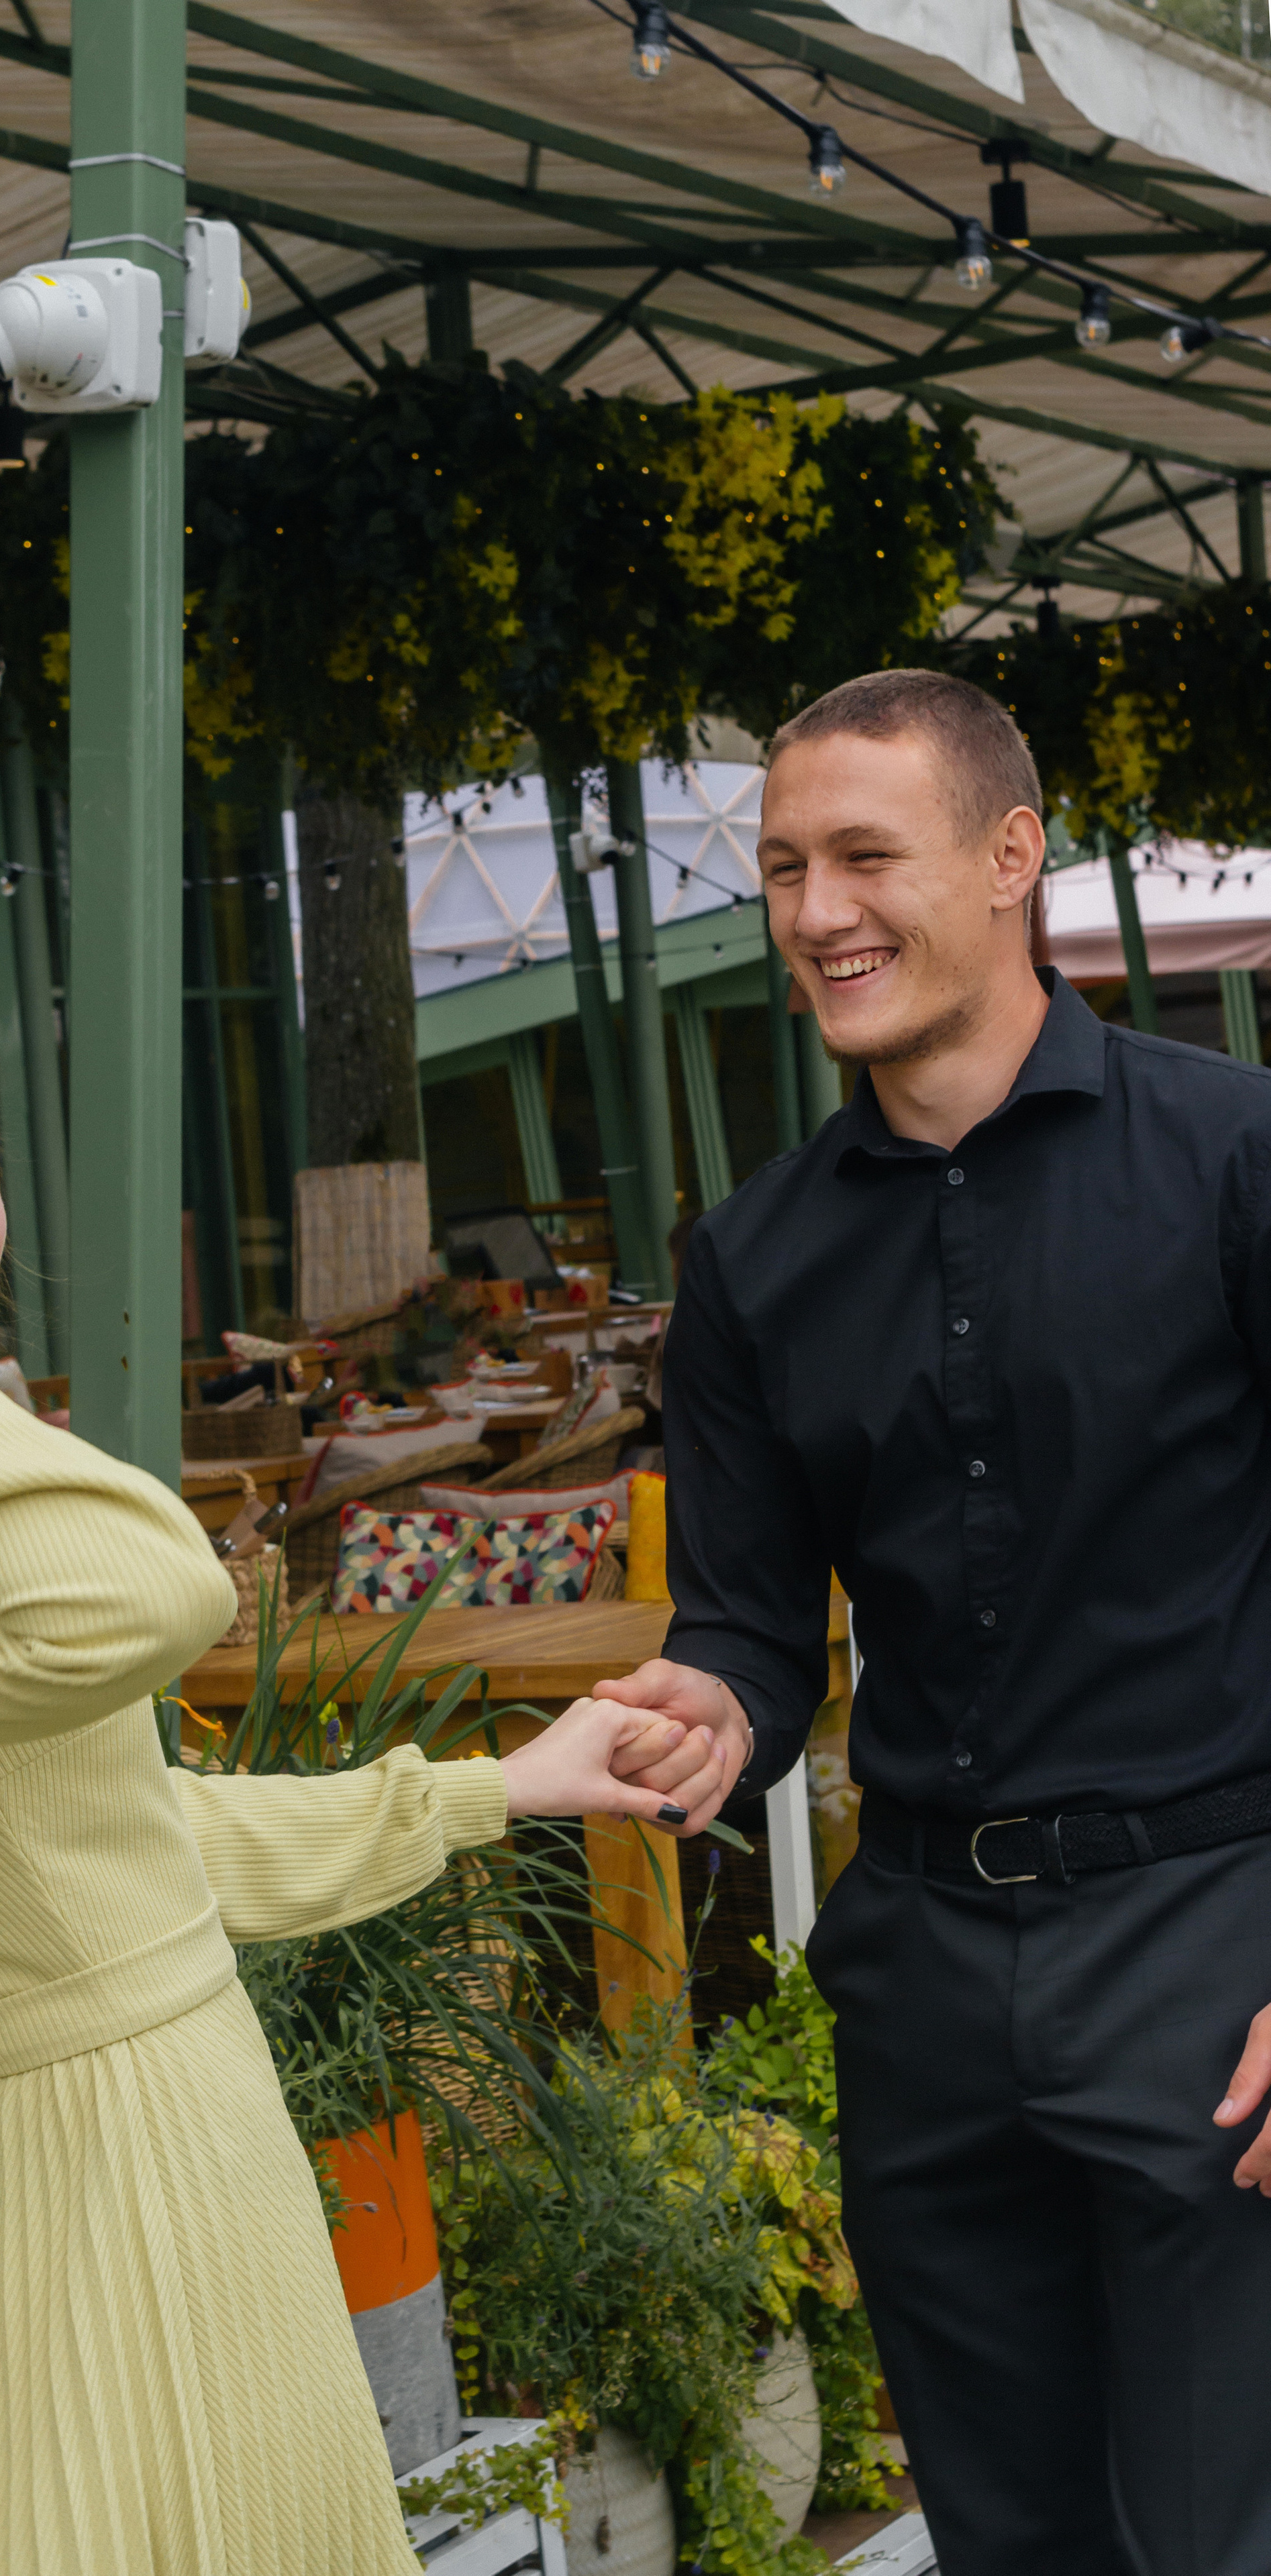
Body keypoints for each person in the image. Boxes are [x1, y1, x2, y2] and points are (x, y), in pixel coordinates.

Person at [0, 963, 729, 2576]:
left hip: (152, 2161)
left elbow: (127, 1843)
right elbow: (158, 1589)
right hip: (104, 2203)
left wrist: (499, 1787)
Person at [593, 668, 1271, 2576]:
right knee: (1005, 2537)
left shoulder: (1239, 1159)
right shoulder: (754, 1259)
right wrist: (706, 1711)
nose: (818, 914)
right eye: (785, 867)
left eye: (866, 857)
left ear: (1009, 858)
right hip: (926, 1979)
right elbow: (746, 1619)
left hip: (1214, 1946)